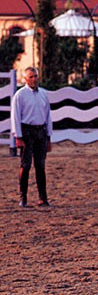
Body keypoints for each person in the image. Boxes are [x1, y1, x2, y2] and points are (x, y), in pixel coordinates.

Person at [11, 66, 52, 208]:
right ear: (25, 79)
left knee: (40, 166)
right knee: (26, 165)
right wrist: (18, 136)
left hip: (41, 132)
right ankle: (23, 198)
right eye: (31, 77)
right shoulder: (20, 95)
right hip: (27, 132)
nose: (34, 79)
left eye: (35, 76)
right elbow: (15, 116)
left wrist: (48, 137)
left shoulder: (43, 94)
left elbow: (48, 116)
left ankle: (43, 198)